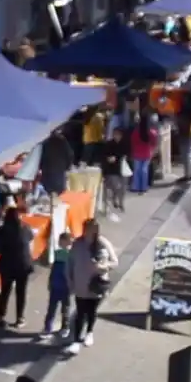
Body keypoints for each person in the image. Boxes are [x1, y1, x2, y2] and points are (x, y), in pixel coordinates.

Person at [64, 219, 118, 355]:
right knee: (80, 312)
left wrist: (103, 266)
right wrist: (70, 281)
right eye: (85, 228)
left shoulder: (103, 243)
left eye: (89, 229)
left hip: (96, 285)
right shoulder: (78, 244)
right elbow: (69, 263)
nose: (86, 231)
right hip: (80, 284)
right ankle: (76, 340)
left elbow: (114, 262)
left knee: (91, 311)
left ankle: (89, 332)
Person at [0, 208, 35, 328]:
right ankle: (20, 318)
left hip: (8, 265)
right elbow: (31, 238)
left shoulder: (3, 230)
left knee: (5, 291)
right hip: (24, 265)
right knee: (21, 292)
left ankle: (1, 317)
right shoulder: (26, 228)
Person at [42, 232, 72, 341]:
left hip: (62, 285)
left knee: (60, 308)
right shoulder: (60, 253)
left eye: (61, 240)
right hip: (59, 285)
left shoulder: (68, 255)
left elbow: (66, 271)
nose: (59, 243)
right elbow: (54, 268)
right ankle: (56, 327)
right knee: (58, 308)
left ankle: (56, 327)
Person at [99, 128, 128, 220]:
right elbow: (104, 157)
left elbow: (128, 154)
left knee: (123, 188)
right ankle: (115, 198)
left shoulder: (124, 144)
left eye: (118, 135)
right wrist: (108, 159)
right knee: (116, 186)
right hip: (112, 170)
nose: (117, 136)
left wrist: (124, 158)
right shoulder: (109, 144)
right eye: (115, 134)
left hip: (123, 169)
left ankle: (121, 203)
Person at [129, 114, 157, 194]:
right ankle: (139, 187)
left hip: (144, 154)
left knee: (141, 170)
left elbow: (153, 141)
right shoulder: (146, 132)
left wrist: (152, 150)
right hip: (141, 154)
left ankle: (141, 187)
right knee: (141, 170)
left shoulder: (147, 132)